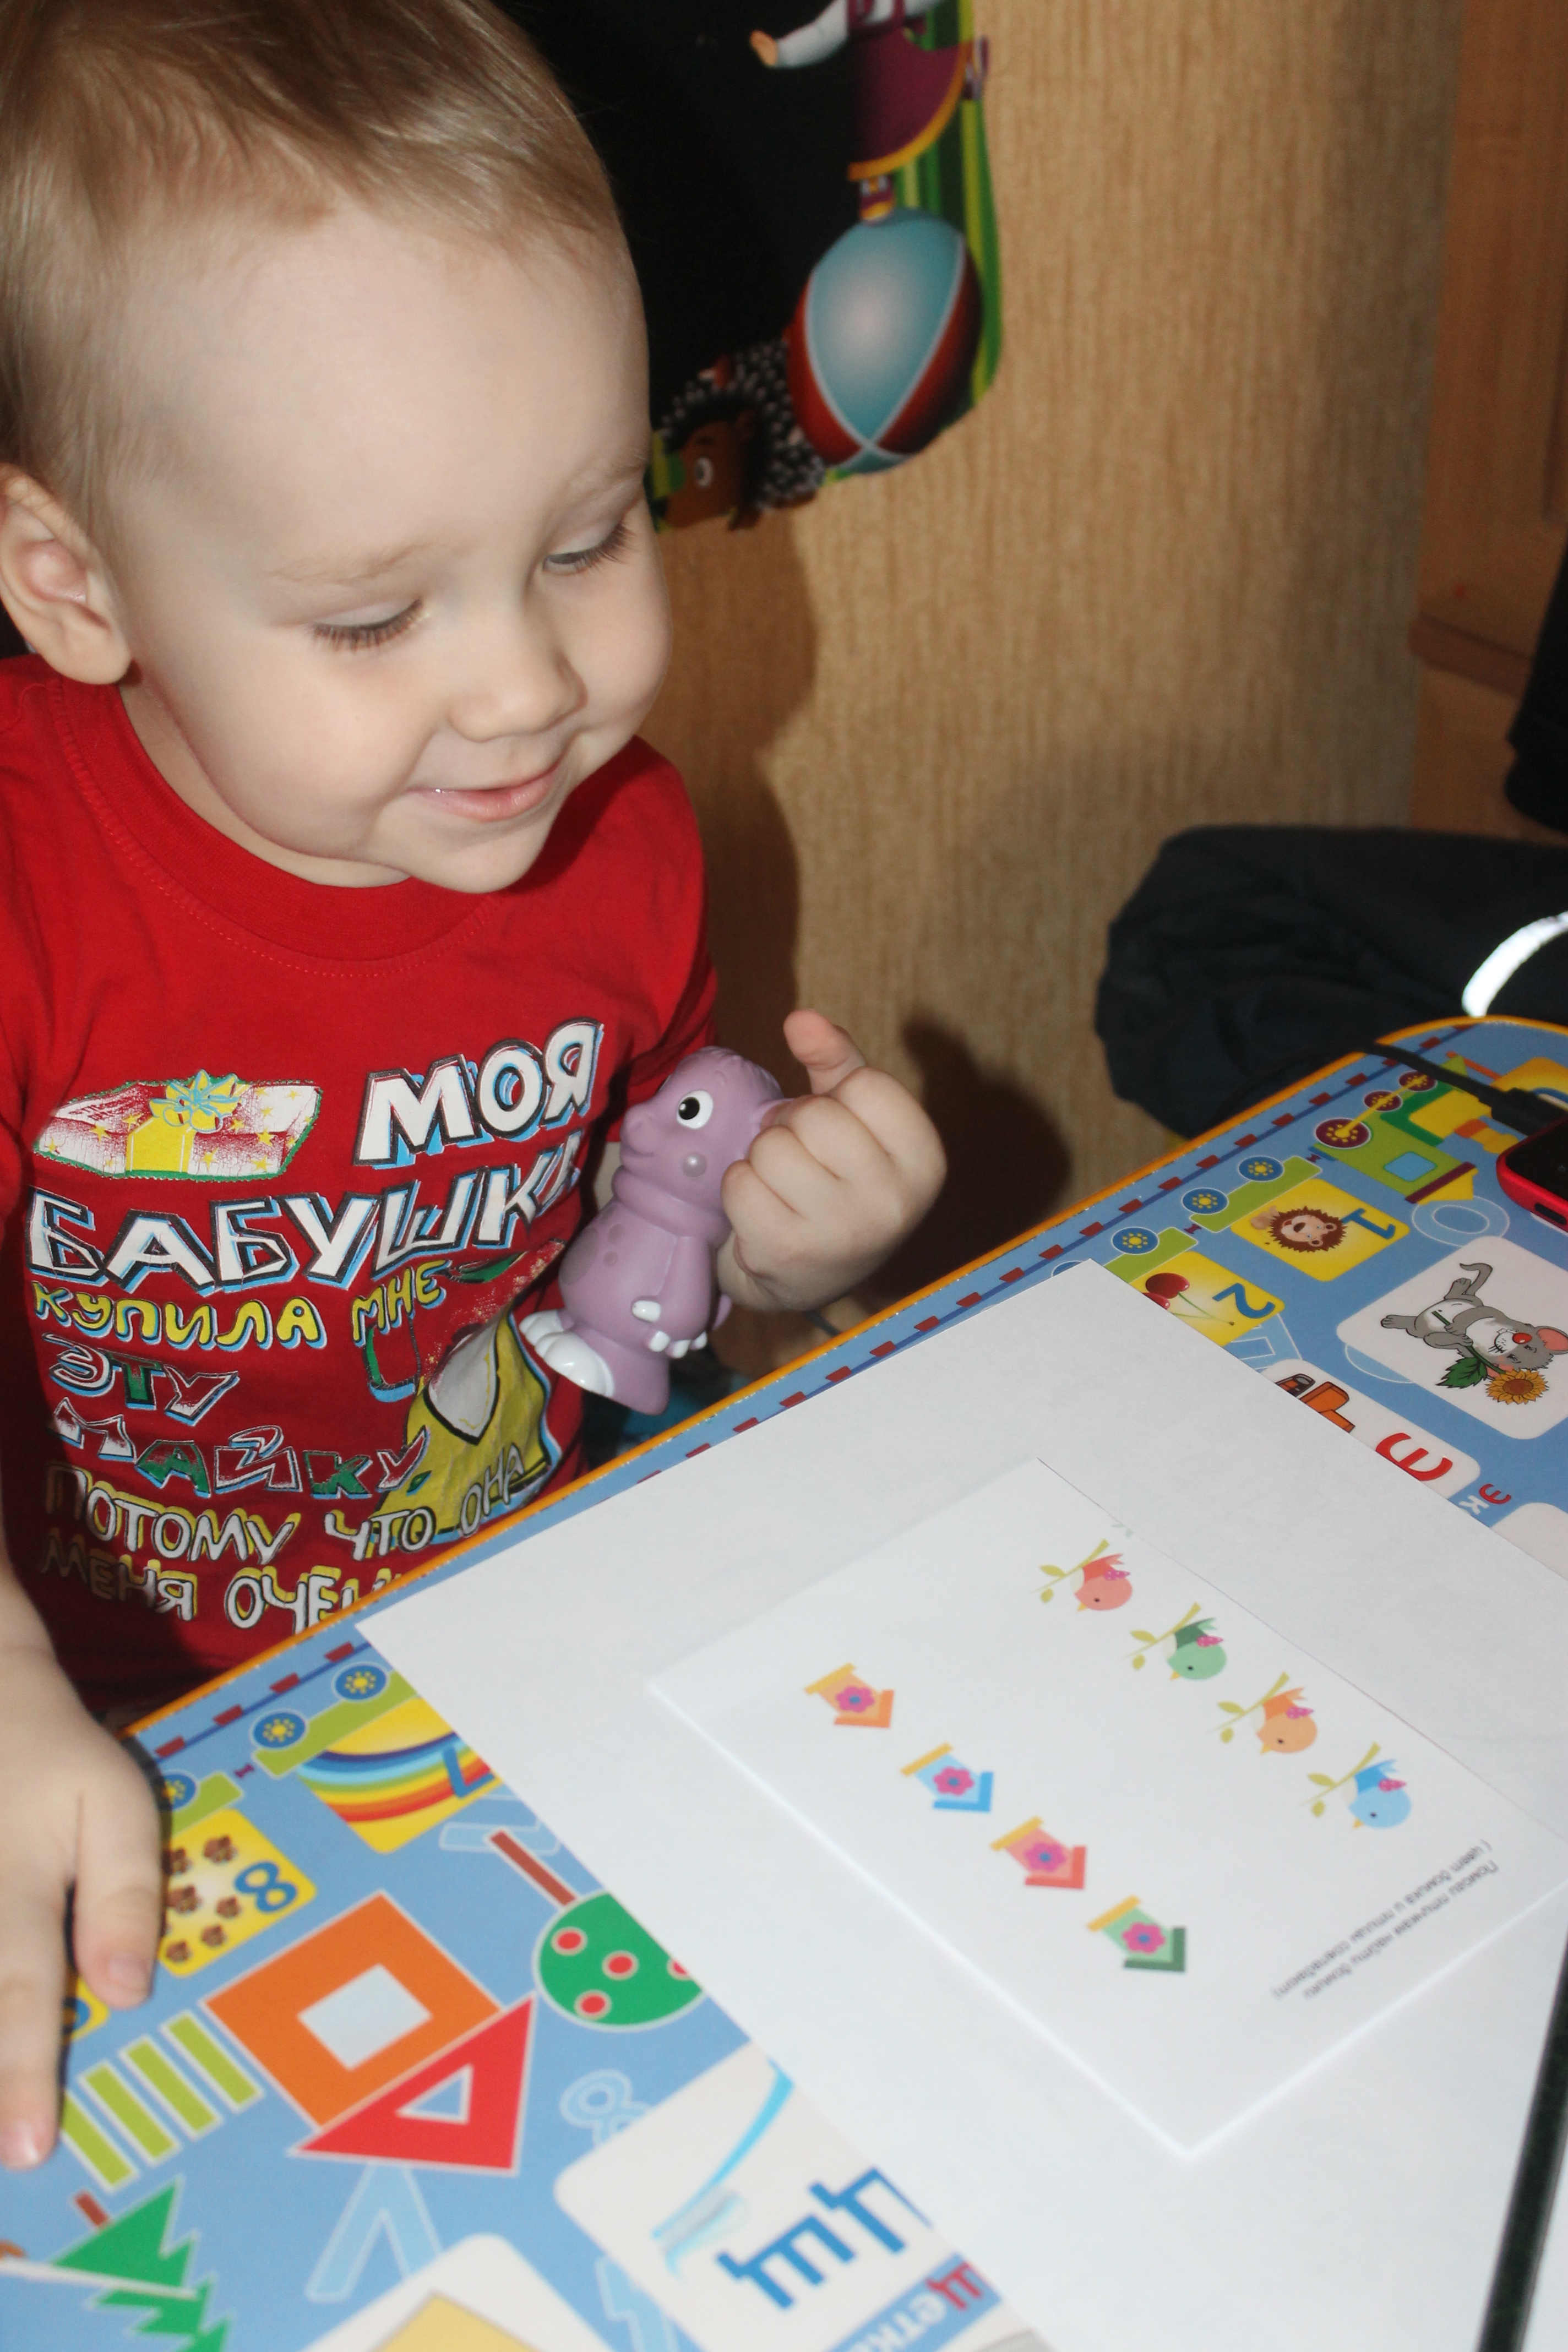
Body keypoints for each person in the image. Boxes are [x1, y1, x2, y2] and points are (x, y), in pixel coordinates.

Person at [0, 0, 944, 2170]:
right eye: (371, 618)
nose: (527, 686)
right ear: (76, 583)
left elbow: (643, 1222)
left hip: (527, 1625)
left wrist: (796, 1245)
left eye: (588, 537)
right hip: (117, 1733)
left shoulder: (617, 841)